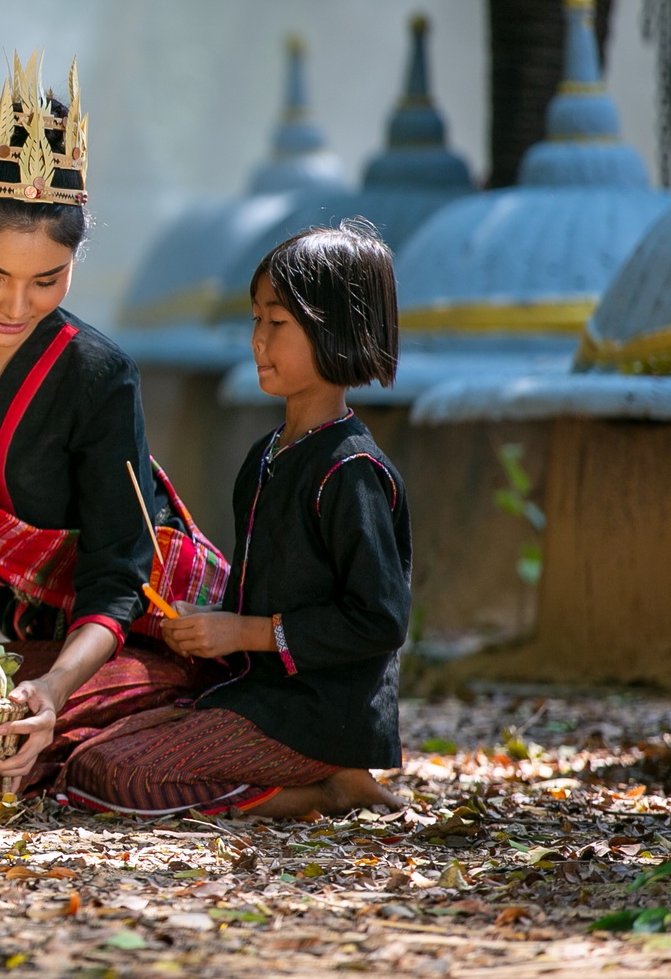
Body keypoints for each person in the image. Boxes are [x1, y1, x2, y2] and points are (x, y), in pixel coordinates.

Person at [0, 49, 230, 796]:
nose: (16, 306)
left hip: (148, 629)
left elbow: (120, 573)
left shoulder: (97, 372)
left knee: (1, 754)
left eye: (47, 280)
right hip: (34, 636)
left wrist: (56, 687)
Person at [61, 222, 411, 816]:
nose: (258, 340)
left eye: (277, 323)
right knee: (84, 758)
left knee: (117, 780)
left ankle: (322, 790)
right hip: (257, 696)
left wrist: (246, 632)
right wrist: (208, 623)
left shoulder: (351, 471)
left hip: (318, 717)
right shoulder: (266, 456)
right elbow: (257, 596)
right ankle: (327, 784)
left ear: (336, 331)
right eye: (256, 320)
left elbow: (379, 621)